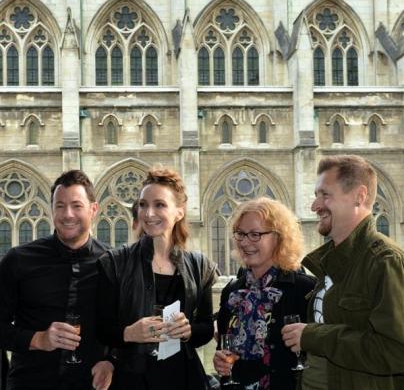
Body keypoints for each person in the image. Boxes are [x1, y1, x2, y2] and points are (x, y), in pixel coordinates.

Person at [282, 154, 404, 390]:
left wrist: (314, 336)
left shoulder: (385, 261)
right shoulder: (329, 263)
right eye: (316, 195)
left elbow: (396, 351)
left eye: (325, 195)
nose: (314, 206)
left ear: (359, 197)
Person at [96, 166, 218, 390]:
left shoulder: (200, 266)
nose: (148, 213)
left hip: (183, 377)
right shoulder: (114, 263)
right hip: (132, 379)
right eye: (143, 205)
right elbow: (101, 328)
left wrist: (189, 330)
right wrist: (129, 333)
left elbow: (206, 329)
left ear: (179, 212)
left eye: (159, 205)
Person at [0, 170, 114, 390]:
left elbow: (121, 328)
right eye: (60, 206)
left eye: (77, 205)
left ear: (94, 209)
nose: (67, 214)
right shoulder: (18, 260)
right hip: (30, 383)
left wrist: (111, 361)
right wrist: (38, 339)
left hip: (89, 385)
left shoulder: (113, 263)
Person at [213, 197, 316, 390]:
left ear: (279, 237)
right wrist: (220, 361)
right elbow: (225, 351)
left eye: (255, 234)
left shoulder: (305, 290)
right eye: (241, 234)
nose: (245, 242)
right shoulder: (232, 291)